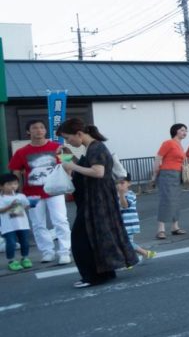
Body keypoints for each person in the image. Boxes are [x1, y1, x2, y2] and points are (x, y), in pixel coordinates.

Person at [56, 119, 139, 288]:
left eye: (68, 138)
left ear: (79, 134)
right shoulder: (94, 147)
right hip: (98, 198)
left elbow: (97, 172)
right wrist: (66, 155)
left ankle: (93, 276)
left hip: (96, 199)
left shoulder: (96, 147)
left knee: (81, 238)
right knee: (99, 235)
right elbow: (85, 166)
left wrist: (71, 164)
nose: (68, 142)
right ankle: (106, 272)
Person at [8, 119, 72, 264]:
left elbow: (68, 164)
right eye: (35, 128)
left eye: (42, 127)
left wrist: (68, 180)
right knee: (38, 224)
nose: (39, 130)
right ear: (28, 132)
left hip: (55, 191)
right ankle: (47, 251)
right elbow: (16, 171)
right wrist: (15, 191)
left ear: (45, 130)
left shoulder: (57, 146)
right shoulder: (21, 152)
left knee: (60, 220)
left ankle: (64, 252)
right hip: (32, 192)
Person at [151, 123, 188, 239]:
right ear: (175, 131)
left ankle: (175, 226)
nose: (185, 132)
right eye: (182, 130)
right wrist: (154, 174)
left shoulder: (180, 145)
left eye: (186, 130)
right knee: (166, 200)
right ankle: (160, 229)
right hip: (166, 174)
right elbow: (158, 158)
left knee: (175, 200)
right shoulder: (168, 143)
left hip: (177, 174)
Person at [116, 177, 157, 264]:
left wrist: (121, 194)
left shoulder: (131, 194)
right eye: (117, 183)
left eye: (122, 183)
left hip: (129, 223)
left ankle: (145, 253)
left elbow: (125, 205)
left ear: (129, 183)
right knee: (124, 243)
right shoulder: (116, 195)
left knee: (127, 243)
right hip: (121, 223)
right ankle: (130, 260)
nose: (119, 185)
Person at [1, 172, 34, 271]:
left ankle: (25, 258)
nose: (13, 186)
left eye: (15, 184)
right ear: (1, 186)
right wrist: (10, 206)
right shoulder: (1, 198)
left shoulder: (21, 196)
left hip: (22, 224)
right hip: (8, 226)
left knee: (25, 242)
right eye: (9, 184)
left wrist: (31, 204)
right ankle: (11, 260)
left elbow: (26, 206)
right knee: (10, 243)